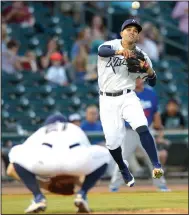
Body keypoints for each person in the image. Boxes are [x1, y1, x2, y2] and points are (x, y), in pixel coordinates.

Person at [97, 18, 164, 188]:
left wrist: (149, 70)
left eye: (135, 30)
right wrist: (120, 52)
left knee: (142, 126)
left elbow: (153, 81)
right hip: (106, 99)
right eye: (128, 29)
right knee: (112, 142)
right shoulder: (111, 45)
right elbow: (102, 52)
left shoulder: (142, 54)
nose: (132, 32)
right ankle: (123, 168)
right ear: (121, 33)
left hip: (128, 96)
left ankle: (156, 165)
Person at [7, 113, 110, 213]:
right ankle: (82, 194)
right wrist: (83, 182)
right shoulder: (74, 128)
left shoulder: (42, 130)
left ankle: (38, 197)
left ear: (47, 124)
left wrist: (44, 184)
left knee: (15, 151)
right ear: (65, 122)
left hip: (45, 161)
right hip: (75, 160)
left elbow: (11, 169)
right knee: (105, 154)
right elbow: (87, 157)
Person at [110, 78, 170, 192]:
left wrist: (159, 128)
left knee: (153, 158)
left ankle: (160, 184)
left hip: (146, 130)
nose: (137, 80)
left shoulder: (150, 93)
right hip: (129, 131)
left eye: (139, 78)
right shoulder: (126, 93)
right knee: (122, 158)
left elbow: (155, 112)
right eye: (134, 78)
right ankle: (114, 186)